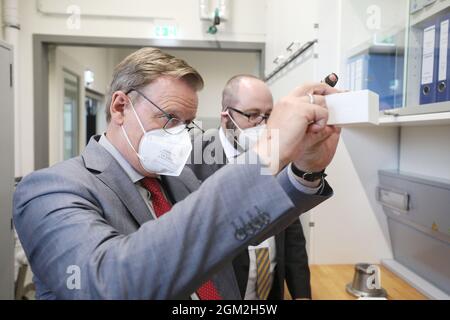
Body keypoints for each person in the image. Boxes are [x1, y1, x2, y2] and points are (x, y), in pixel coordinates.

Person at [13, 47, 341, 299]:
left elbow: (244, 227)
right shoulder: (49, 189)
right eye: (169, 118)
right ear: (119, 107)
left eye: (187, 124)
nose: (180, 135)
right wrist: (268, 151)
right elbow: (108, 284)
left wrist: (305, 169)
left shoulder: (179, 176)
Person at [188, 75, 312, 300]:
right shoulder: (193, 164)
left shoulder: (278, 156)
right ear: (226, 117)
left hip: (269, 290)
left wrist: (301, 294)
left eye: (268, 116)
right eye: (252, 115)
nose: (263, 125)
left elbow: (293, 234)